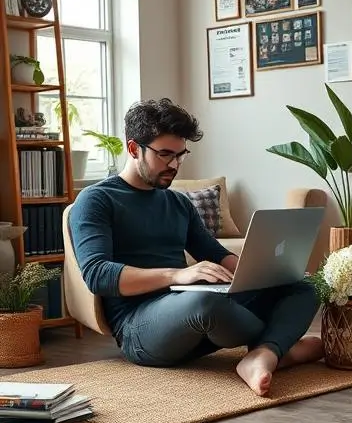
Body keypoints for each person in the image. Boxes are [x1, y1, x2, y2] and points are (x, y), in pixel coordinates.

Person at [69, 98, 323, 397]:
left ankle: (264, 354)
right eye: (165, 154)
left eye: (180, 155)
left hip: (196, 317)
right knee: (204, 303)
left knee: (306, 287)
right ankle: (281, 345)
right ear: (134, 148)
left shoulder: (178, 202)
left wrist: (267, 273)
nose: (174, 165)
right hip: (140, 328)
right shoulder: (96, 200)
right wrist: (176, 275)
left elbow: (216, 254)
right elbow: (98, 274)